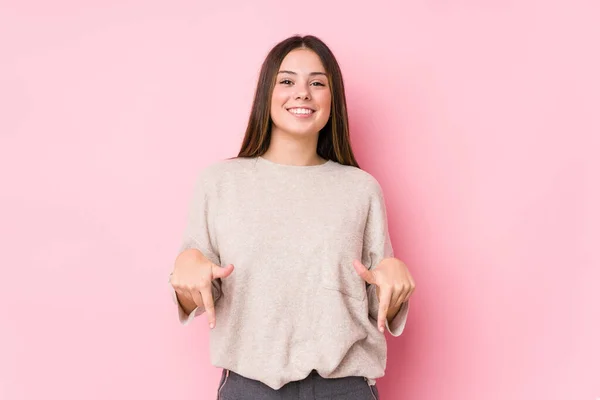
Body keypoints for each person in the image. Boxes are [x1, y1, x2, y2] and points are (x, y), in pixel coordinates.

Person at [168, 34, 416, 400]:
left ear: (333, 99)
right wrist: (184, 272)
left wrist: (395, 281)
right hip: (248, 387)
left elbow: (380, 306)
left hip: (344, 388)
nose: (302, 93)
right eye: (287, 81)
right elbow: (199, 294)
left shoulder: (360, 189)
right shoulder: (219, 183)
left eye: (317, 83)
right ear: (266, 93)